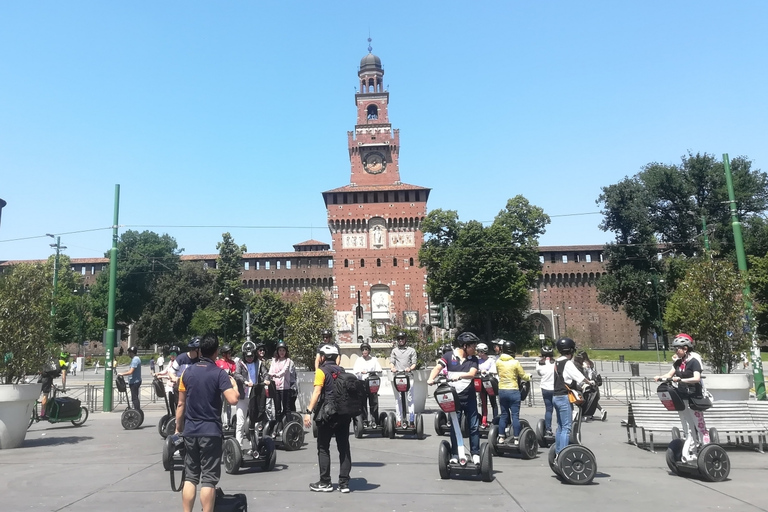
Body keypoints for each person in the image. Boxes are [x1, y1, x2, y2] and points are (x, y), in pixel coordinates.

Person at [175, 333, 239, 512]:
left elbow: (181, 404)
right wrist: (234, 386)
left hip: (190, 431)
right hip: (210, 431)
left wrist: (178, 428)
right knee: (209, 479)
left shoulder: (187, 373)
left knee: (190, 476)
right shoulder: (219, 374)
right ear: (216, 352)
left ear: (201, 350)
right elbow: (233, 399)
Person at [303, 344, 352, 493]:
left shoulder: (321, 371)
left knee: (323, 447)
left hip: (327, 414)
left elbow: (317, 392)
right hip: (343, 414)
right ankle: (344, 483)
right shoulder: (342, 371)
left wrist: (308, 412)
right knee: (344, 447)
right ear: (336, 357)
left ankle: (325, 482)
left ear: (323, 357)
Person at [427, 332, 480, 464]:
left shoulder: (473, 359)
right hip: (454, 398)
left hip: (469, 398)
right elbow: (438, 367)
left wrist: (460, 376)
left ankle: (475, 453)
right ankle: (455, 454)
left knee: (473, 426)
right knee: (455, 426)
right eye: (473, 346)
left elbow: (472, 374)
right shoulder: (449, 356)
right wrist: (431, 378)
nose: (475, 348)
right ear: (465, 345)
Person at [653, 334, 709, 443]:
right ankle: (691, 447)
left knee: (699, 425)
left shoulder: (694, 362)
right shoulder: (678, 363)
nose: (675, 351)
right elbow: (669, 375)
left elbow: (697, 378)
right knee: (688, 425)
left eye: (677, 349)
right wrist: (660, 377)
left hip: (694, 397)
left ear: (685, 349)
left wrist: (681, 380)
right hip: (682, 397)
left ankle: (706, 446)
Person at [552, 337, 587, 458]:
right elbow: (581, 378)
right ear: (570, 350)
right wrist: (591, 382)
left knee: (560, 427)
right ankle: (563, 455)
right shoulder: (567, 363)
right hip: (563, 397)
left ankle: (557, 453)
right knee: (567, 428)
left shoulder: (557, 362)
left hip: (555, 397)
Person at [496, 340, 531, 443]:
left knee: (504, 414)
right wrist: (529, 376)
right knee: (515, 415)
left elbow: (499, 373)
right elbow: (523, 375)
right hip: (513, 390)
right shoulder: (515, 363)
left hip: (502, 390)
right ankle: (516, 438)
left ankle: (501, 437)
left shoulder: (498, 361)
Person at [389, 331, 417, 428]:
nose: (400, 340)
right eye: (399, 339)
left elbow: (414, 363)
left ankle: (412, 420)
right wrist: (392, 368)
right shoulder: (394, 351)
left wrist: (410, 368)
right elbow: (391, 362)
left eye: (402, 339)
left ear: (405, 339)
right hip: (398, 377)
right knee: (398, 399)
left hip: (409, 377)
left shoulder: (411, 350)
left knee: (410, 399)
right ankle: (399, 420)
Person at [353, 342, 382, 427]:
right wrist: (360, 372)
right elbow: (355, 371)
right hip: (362, 383)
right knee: (362, 402)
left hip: (372, 383)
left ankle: (374, 420)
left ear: (369, 350)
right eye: (363, 349)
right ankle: (364, 420)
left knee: (374, 402)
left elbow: (379, 370)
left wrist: (378, 371)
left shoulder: (374, 360)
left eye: (366, 349)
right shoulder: (359, 360)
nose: (364, 351)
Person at [233, 341, 257, 449]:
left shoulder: (258, 364)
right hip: (243, 396)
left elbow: (265, 373)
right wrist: (245, 382)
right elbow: (236, 374)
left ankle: (254, 445)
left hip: (254, 396)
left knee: (254, 423)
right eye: (247, 356)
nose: (250, 358)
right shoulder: (240, 364)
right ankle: (238, 446)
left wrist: (267, 379)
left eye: (251, 356)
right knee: (240, 423)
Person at [268, 341, 295, 422]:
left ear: (286, 351)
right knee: (277, 409)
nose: (282, 352)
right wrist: (271, 375)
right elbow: (270, 371)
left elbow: (284, 371)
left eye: (283, 350)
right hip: (276, 388)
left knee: (287, 409)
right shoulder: (274, 361)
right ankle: (278, 426)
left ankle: (289, 425)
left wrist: (275, 375)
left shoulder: (288, 360)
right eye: (280, 350)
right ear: (277, 351)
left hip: (285, 388)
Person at [577, 350, 607, 421]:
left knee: (586, 400)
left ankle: (585, 415)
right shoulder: (591, 363)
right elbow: (595, 373)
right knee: (592, 400)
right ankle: (598, 411)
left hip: (588, 384)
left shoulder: (583, 365)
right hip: (594, 384)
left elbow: (586, 375)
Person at [476, 342, 498, 427]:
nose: (478, 353)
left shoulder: (491, 360)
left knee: (493, 402)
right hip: (480, 383)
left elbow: (494, 371)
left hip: (489, 383)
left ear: (483, 352)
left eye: (479, 351)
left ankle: (495, 420)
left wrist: (487, 371)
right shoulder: (477, 361)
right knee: (483, 402)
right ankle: (484, 420)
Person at [536, 345, 555, 437]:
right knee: (559, 409)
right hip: (555, 388)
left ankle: (548, 429)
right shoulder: (555, 363)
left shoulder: (539, 364)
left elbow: (539, 373)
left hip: (545, 388)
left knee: (548, 409)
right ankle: (561, 428)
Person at [118, 346, 142, 411]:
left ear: (131, 353)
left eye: (129, 353)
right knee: (134, 397)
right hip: (134, 381)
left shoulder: (135, 360)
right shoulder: (136, 359)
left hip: (135, 382)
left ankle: (137, 411)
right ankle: (137, 411)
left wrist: (122, 374)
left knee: (134, 398)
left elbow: (131, 372)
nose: (128, 354)